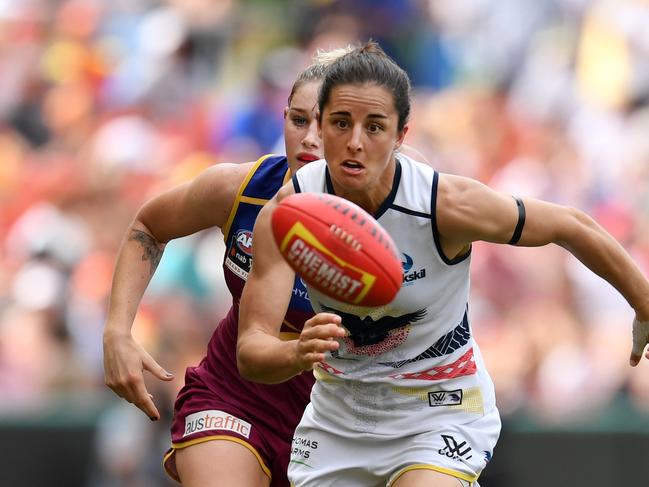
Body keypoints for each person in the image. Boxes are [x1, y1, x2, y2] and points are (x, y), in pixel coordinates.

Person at [237, 41, 649, 487]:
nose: (355, 142)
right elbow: (252, 350)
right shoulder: (289, 212)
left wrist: (644, 305)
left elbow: (571, 225)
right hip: (341, 419)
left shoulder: (443, 205)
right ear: (320, 125)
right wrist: (296, 352)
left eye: (375, 127)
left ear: (401, 136)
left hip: (440, 409)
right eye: (341, 123)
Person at [102, 47, 352, 487]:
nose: (309, 138)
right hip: (235, 395)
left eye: (327, 123)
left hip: (348, 418)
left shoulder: (401, 210)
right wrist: (118, 330)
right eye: (297, 120)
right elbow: (148, 225)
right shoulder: (241, 189)